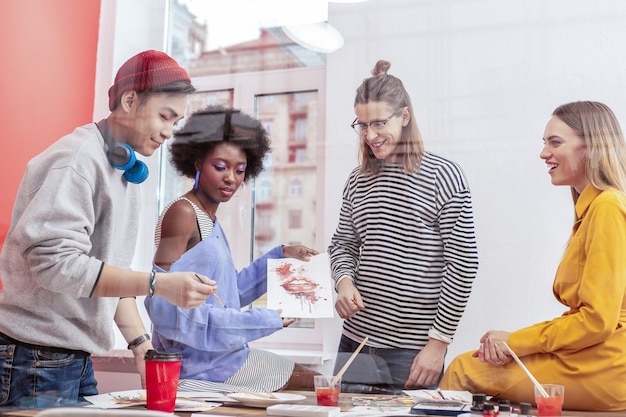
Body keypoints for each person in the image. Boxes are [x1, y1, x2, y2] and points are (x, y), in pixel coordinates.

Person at [0, 50, 218, 409]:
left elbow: (104, 277)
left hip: (70, 360)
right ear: (130, 100)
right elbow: (58, 268)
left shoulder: (123, 171)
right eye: (165, 116)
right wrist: (157, 284)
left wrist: (142, 348)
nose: (169, 131)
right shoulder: (77, 162)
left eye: (175, 122)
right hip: (35, 360)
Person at [439, 101, 626, 411]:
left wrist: (515, 342)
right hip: (599, 355)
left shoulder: (606, 207)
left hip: (607, 363)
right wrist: (516, 343)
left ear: (591, 146)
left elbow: (596, 321)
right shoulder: (595, 208)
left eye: (555, 142)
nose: (543, 154)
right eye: (544, 143)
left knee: (463, 368)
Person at [144, 104, 320, 392]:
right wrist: (266, 319)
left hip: (227, 360)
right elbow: (164, 307)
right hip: (204, 371)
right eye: (220, 167)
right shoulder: (184, 213)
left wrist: (281, 256)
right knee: (321, 385)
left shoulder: (209, 219)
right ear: (197, 162)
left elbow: (228, 295)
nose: (231, 179)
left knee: (323, 385)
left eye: (240, 170)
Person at [327, 59, 479, 393]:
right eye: (362, 125)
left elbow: (463, 263)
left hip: (413, 352)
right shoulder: (357, 180)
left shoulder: (443, 176)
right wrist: (344, 282)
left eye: (379, 123)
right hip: (355, 343)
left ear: (405, 117)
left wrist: (438, 344)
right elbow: (343, 244)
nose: (370, 135)